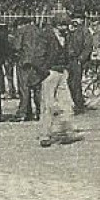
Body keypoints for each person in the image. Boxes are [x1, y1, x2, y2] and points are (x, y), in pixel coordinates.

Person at [34, 15, 79, 147]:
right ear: (56, 25)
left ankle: (65, 132)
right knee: (48, 105)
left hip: (62, 72)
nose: (65, 28)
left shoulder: (65, 37)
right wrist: (45, 72)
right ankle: (45, 134)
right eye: (62, 25)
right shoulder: (45, 36)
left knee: (66, 103)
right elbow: (38, 56)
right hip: (51, 72)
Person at [11, 16, 43, 122]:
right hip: (38, 62)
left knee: (24, 88)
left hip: (24, 62)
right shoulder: (40, 31)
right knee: (37, 88)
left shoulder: (21, 31)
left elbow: (16, 47)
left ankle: (24, 112)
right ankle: (40, 112)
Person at [65, 13, 94, 115]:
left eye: (78, 18)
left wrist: (81, 59)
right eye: (74, 18)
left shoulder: (84, 31)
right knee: (70, 82)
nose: (76, 20)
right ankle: (77, 102)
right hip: (69, 59)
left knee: (75, 83)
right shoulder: (69, 31)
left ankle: (79, 105)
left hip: (78, 59)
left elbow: (88, 46)